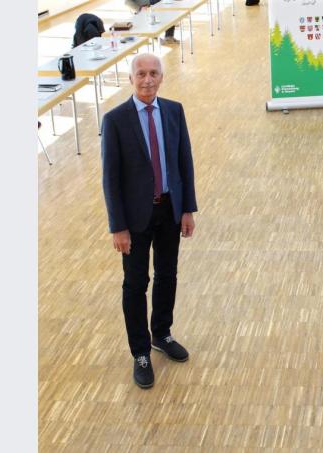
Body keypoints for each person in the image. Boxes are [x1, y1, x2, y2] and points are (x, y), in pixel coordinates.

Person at [102, 53, 198, 389]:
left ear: (162, 78)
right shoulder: (115, 120)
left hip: (170, 210)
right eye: (140, 74)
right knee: (135, 284)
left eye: (153, 73)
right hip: (134, 218)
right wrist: (118, 226)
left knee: (168, 275)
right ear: (130, 78)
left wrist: (188, 209)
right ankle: (140, 352)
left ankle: (162, 333)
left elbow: (184, 161)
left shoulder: (174, 111)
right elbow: (110, 179)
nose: (147, 80)